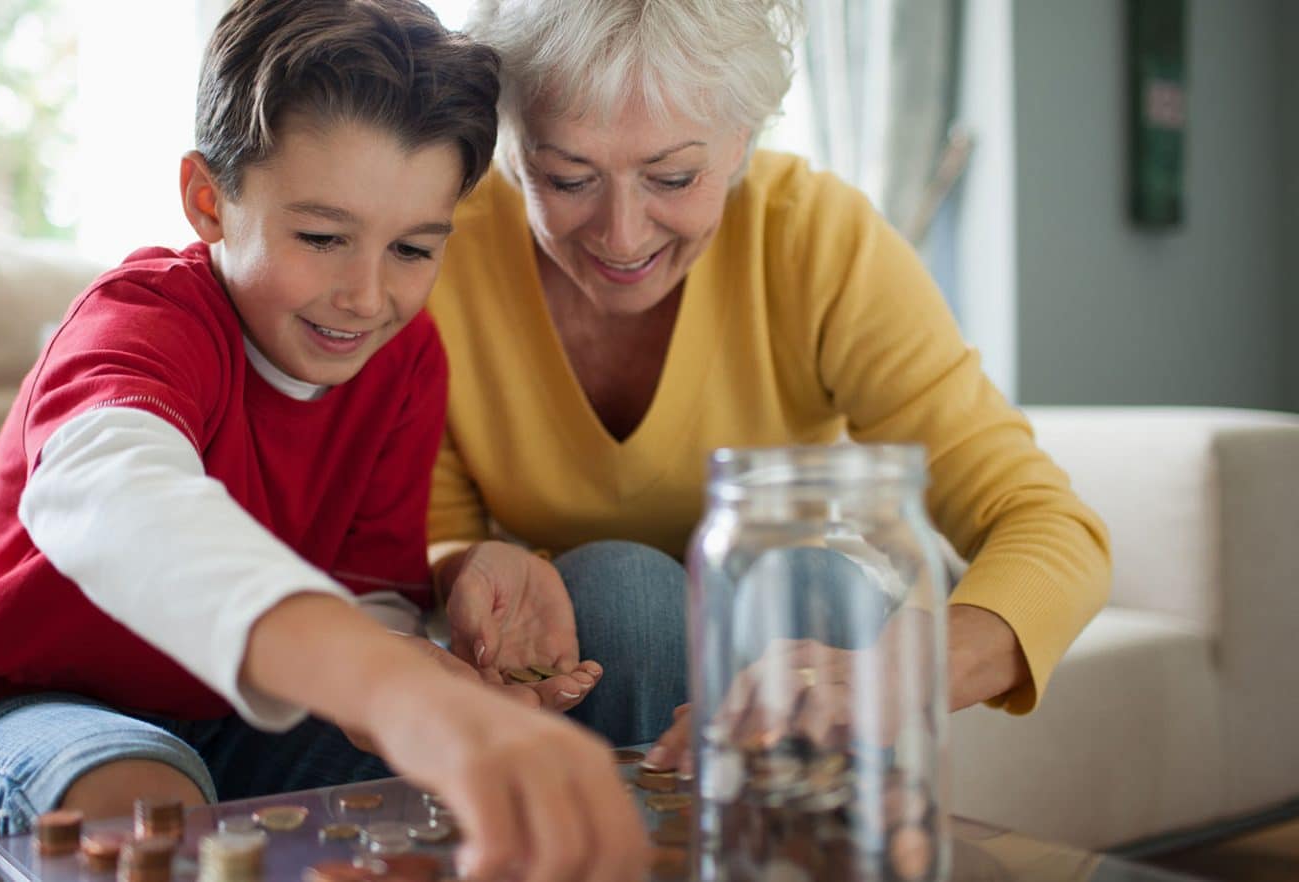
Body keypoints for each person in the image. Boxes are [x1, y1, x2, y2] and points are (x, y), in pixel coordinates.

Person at [0, 3, 648, 881]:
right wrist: (386, 687)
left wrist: (413, 663)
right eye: (321, 237)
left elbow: (367, 594)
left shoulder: (407, 360)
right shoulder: (142, 322)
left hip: (243, 721)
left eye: (413, 249)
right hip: (34, 709)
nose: (366, 295)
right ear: (208, 201)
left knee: (468, 789)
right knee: (145, 804)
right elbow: (122, 501)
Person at [426, 0, 1112, 767]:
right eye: (568, 178)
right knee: (621, 590)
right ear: (511, 151)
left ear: (741, 141)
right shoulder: (441, 244)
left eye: (674, 176)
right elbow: (440, 527)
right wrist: (467, 564)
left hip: (800, 615)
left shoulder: (814, 237)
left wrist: (902, 674)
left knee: (804, 577)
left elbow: (1048, 524)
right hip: (588, 631)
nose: (622, 236)